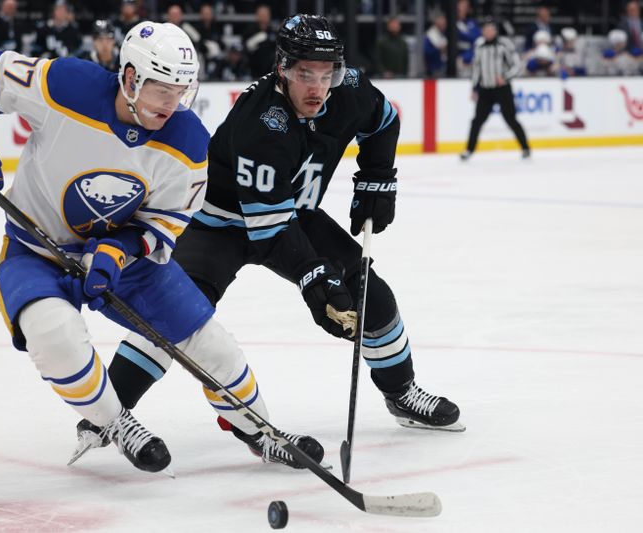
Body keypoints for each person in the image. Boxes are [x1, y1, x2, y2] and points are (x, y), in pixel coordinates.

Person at [0, 21, 323, 473]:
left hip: (126, 262)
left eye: (181, 91)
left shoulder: (188, 141)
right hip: (36, 251)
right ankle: (114, 422)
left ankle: (260, 430)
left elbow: (164, 223)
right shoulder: (69, 86)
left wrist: (117, 250)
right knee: (52, 333)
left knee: (211, 345)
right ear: (131, 77)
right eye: (162, 89)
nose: (172, 103)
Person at [105, 14, 464, 439]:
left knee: (370, 292)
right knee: (175, 313)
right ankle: (107, 413)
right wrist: (314, 278)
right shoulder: (260, 122)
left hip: (291, 214)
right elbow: (269, 231)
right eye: (303, 73)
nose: (316, 87)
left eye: (326, 73)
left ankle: (401, 391)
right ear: (281, 68)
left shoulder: (349, 90)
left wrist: (377, 178)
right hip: (218, 226)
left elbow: (383, 120)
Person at [461, 20, 529, 161]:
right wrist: (474, 87)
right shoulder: (479, 45)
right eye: (485, 30)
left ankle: (525, 148)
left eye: (490, 30)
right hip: (485, 90)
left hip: (502, 89)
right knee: (477, 121)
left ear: (495, 31)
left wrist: (505, 77)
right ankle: (469, 150)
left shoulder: (504, 44)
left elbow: (517, 65)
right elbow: (477, 68)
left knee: (510, 119)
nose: (488, 32)